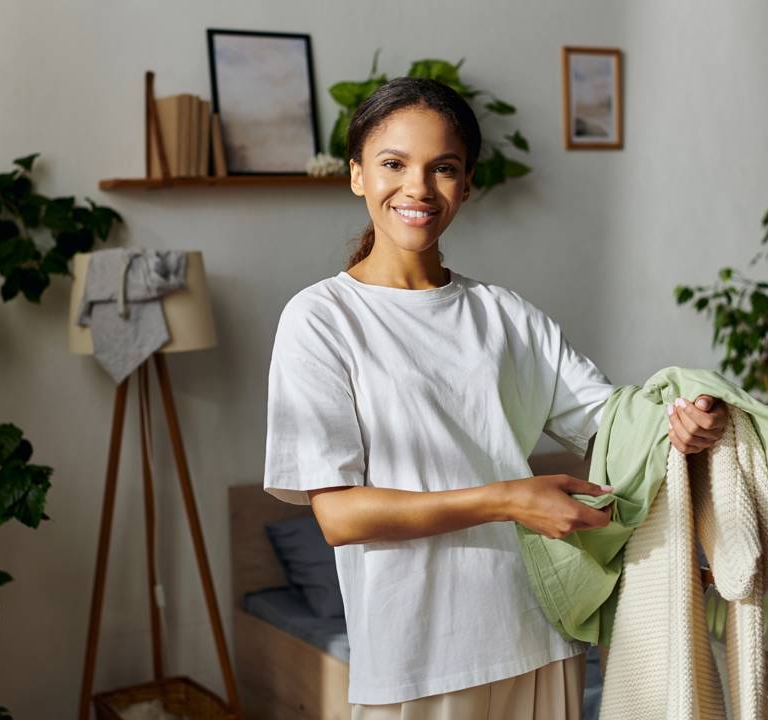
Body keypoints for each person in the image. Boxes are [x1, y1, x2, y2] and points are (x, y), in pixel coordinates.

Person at [263, 77, 728, 720]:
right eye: (393, 164)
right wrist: (511, 498)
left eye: (443, 168)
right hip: (420, 657)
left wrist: (687, 420)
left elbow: (615, 420)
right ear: (357, 176)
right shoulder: (321, 319)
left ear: (467, 183)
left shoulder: (504, 315)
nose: (418, 188)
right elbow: (339, 516)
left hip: (542, 634)